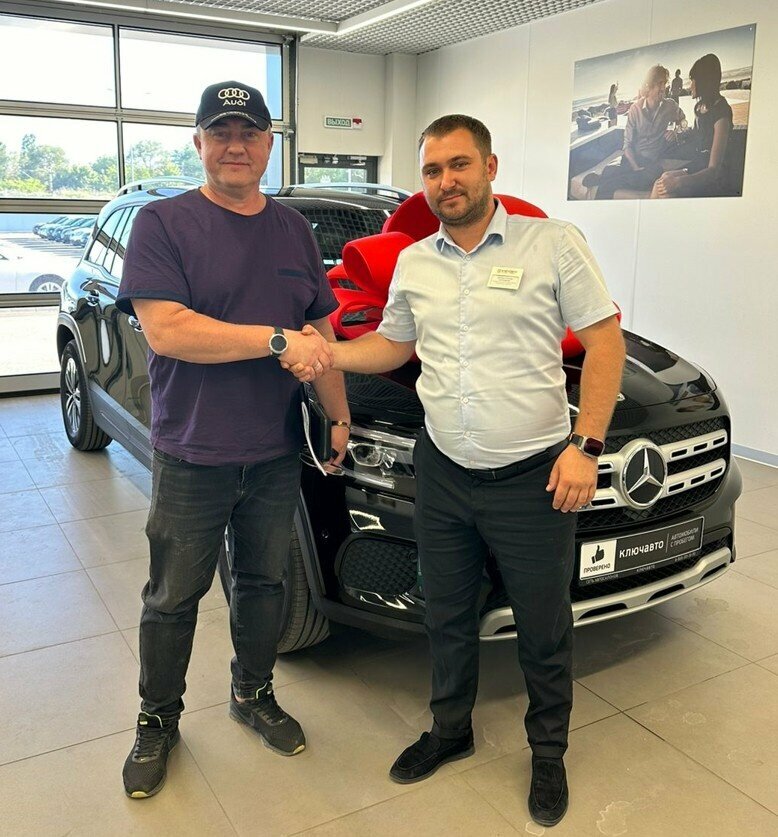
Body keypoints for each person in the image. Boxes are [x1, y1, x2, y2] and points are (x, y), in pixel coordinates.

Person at [289, 114, 625, 826]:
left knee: (542, 625)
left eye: (459, 164)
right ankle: (450, 729)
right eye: (433, 170)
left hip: (533, 478)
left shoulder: (552, 243)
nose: (446, 181)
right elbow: (393, 346)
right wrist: (328, 353)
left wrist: (586, 446)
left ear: (490, 167)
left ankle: (548, 752)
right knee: (445, 613)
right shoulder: (416, 263)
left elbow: (604, 343)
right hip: (444, 472)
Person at [116, 80, 348, 799]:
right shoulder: (163, 222)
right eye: (221, 132)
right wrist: (275, 339)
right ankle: (158, 719)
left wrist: (338, 416)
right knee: (173, 595)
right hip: (192, 451)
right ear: (199, 143)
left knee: (263, 582)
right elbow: (168, 330)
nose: (236, 145)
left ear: (270, 144)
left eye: (249, 132)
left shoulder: (293, 230)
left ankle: (253, 692)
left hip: (274, 450)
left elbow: (322, 332)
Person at [586, 65, 685, 199]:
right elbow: (627, 144)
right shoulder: (635, 109)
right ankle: (609, 177)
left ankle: (604, 179)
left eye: (665, 83)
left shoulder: (670, 106)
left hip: (651, 162)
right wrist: (635, 166)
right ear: (649, 86)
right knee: (632, 175)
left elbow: (683, 121)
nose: (664, 87)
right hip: (632, 158)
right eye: (660, 83)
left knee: (652, 173)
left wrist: (675, 131)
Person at [652, 54, 732, 198]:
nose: (690, 86)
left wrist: (678, 182)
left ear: (703, 81)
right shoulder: (700, 107)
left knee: (667, 191)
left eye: (693, 80)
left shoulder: (722, 112)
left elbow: (714, 170)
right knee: (662, 181)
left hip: (712, 176)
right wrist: (677, 134)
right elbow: (696, 133)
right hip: (699, 164)